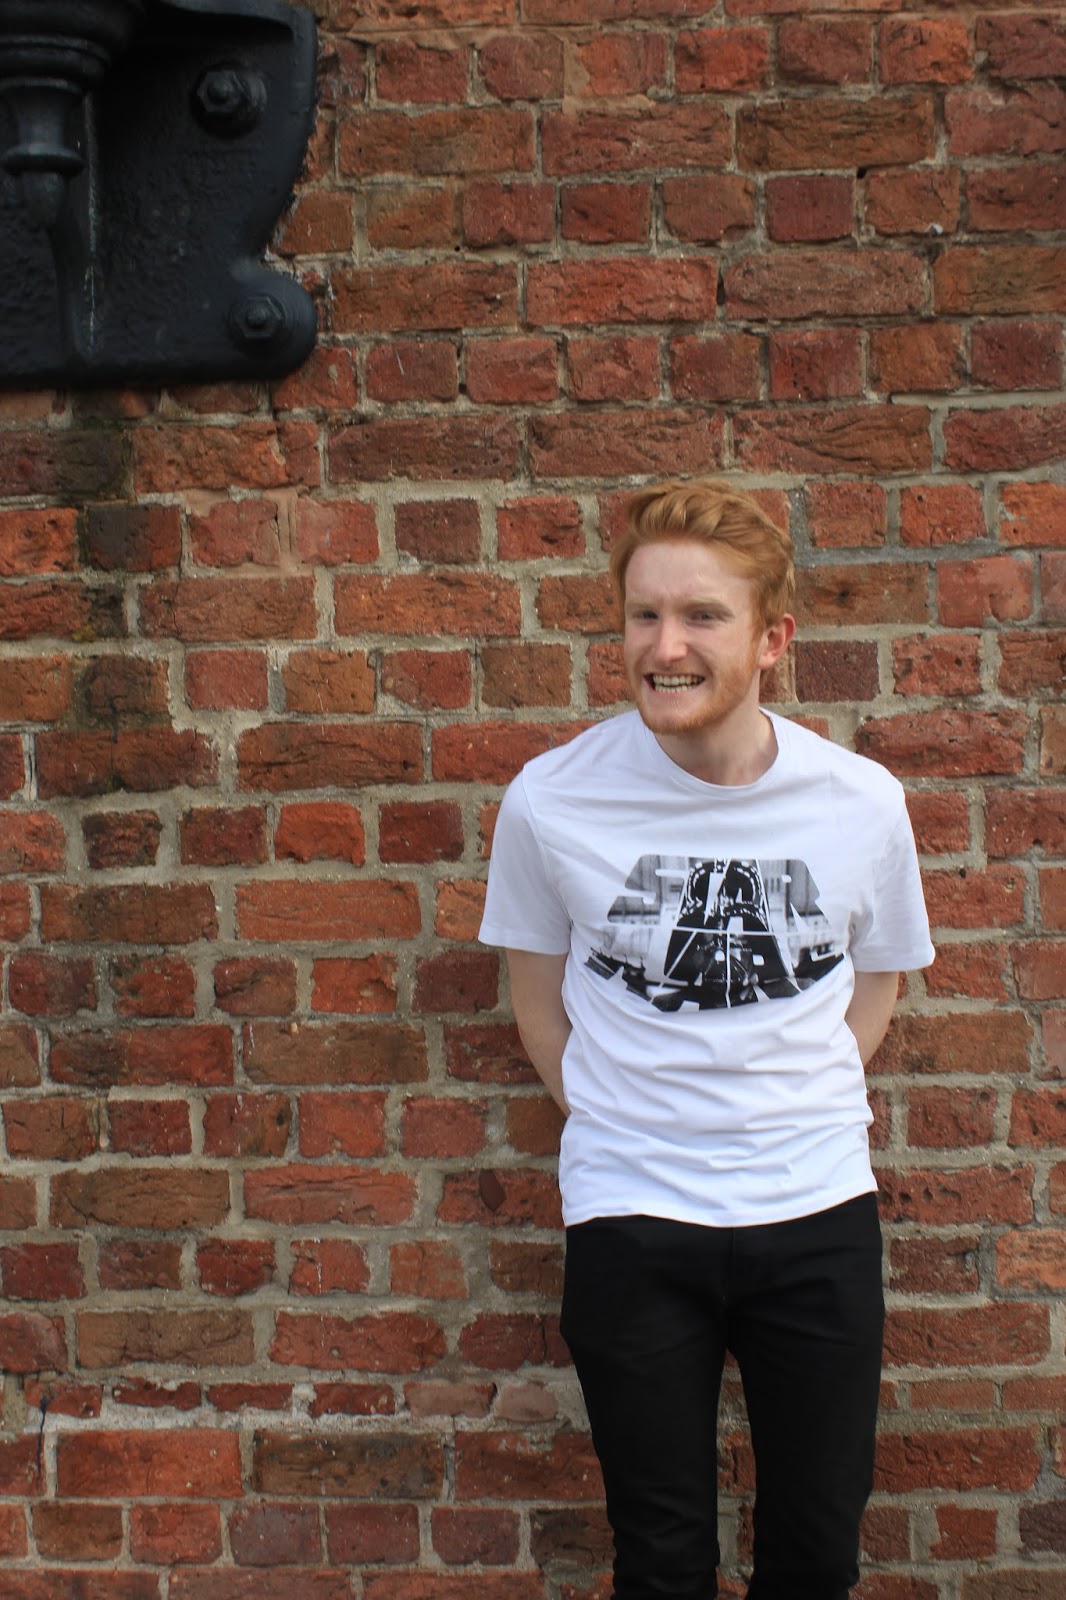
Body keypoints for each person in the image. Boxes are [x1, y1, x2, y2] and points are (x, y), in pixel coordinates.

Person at [479, 479, 934, 1600]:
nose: (664, 645)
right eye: (644, 615)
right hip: (631, 1212)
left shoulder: (861, 801)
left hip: (816, 1207)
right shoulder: (551, 800)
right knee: (662, 1560)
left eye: (701, 616)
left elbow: (878, 982)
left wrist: (788, 1099)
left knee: (815, 1556)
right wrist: (626, 1118)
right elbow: (537, 1003)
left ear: (773, 638)